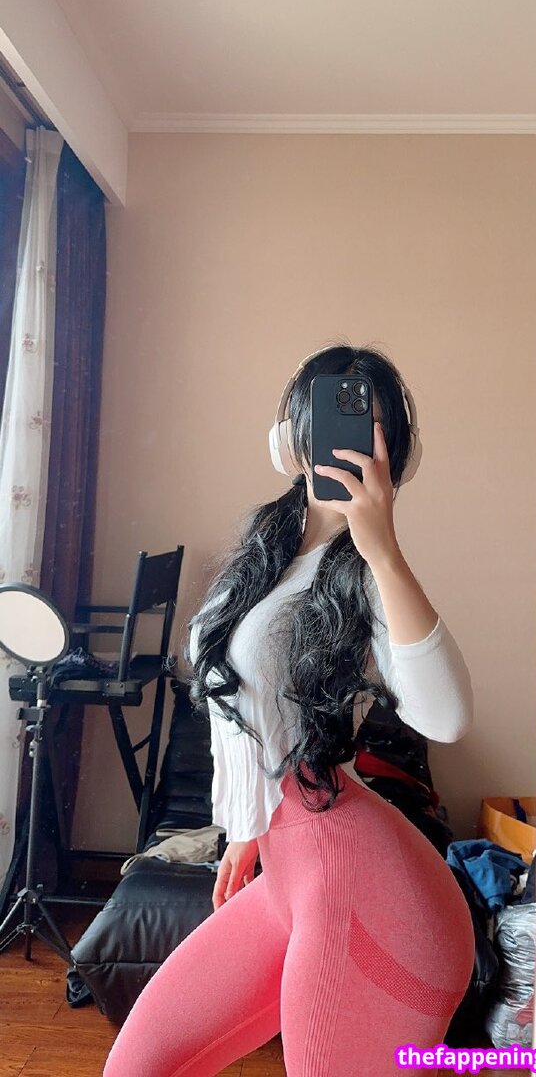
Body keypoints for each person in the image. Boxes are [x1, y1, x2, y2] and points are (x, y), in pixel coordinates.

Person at [103, 343, 476, 1077]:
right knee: (138, 1066)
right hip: (292, 876)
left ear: (395, 456)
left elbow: (447, 718)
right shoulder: (265, 556)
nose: (350, 445)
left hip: (372, 896)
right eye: (335, 420)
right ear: (292, 439)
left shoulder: (366, 576)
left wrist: (384, 550)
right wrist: (246, 826)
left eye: (371, 428)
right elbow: (242, 703)